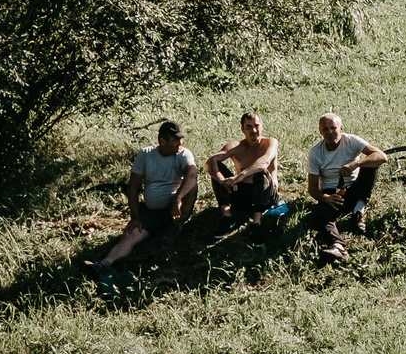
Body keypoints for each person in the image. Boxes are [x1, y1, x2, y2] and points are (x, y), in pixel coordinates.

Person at [87, 120, 195, 274]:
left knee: (192, 181)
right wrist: (135, 216)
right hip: (151, 212)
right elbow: (133, 187)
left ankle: (178, 224)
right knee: (129, 237)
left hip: (175, 209)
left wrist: (178, 198)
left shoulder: (183, 153)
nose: (180, 142)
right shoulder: (146, 154)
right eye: (176, 139)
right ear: (162, 141)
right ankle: (104, 264)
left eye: (181, 138)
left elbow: (192, 174)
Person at [303, 112, 385, 264]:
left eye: (333, 128)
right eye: (325, 129)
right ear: (320, 132)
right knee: (320, 213)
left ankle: (358, 211)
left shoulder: (351, 141)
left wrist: (356, 163)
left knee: (371, 166)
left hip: (354, 186)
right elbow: (312, 188)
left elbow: (381, 156)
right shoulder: (316, 153)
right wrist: (326, 198)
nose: (329, 132)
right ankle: (338, 246)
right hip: (333, 193)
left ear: (341, 128)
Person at [205, 111, 282, 236]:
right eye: (249, 127)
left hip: (266, 193)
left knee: (260, 172)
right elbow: (211, 161)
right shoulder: (236, 146)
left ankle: (257, 221)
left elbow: (264, 162)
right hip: (243, 195)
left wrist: (240, 176)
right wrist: (222, 181)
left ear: (262, 126)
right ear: (243, 129)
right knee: (217, 169)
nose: (254, 130)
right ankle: (227, 216)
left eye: (256, 126)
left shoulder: (270, 143)